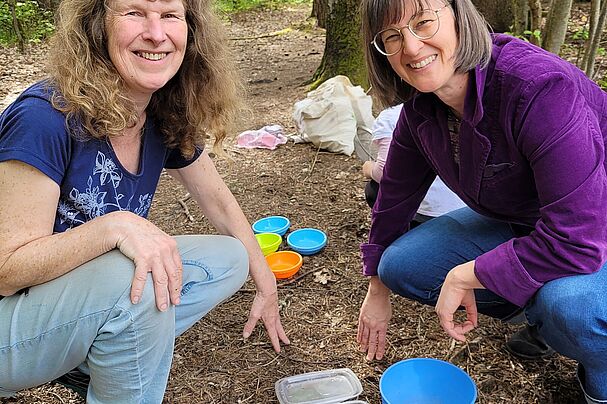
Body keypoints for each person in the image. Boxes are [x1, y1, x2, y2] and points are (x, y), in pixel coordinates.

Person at [0, 0, 289, 401]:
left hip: (75, 302)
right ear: (98, 25)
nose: (156, 34)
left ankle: (89, 358)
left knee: (229, 257)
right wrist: (115, 226)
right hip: (8, 324)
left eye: (170, 15)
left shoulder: (160, 111)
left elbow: (220, 203)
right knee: (137, 278)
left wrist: (266, 283)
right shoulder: (46, 115)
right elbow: (7, 269)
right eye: (134, 12)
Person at [356, 0, 607, 402]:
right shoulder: (422, 109)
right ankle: (543, 319)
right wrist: (377, 287)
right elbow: (393, 199)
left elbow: (577, 239)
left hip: (596, 229)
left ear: (458, 15)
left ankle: (599, 375)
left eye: (423, 23)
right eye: (392, 37)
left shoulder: (540, 88)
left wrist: (467, 274)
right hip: (528, 223)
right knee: (399, 265)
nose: (412, 47)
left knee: (572, 307)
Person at [361, 103, 466, 226]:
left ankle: (400, 229)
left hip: (429, 212)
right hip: (470, 205)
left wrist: (367, 167)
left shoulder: (392, 116)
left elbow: (385, 173)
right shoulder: (459, 109)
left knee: (373, 189)